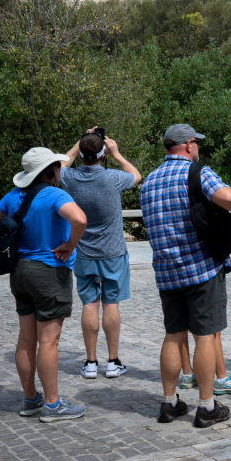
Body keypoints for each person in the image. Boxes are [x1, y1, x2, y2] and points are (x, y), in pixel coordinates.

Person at [140, 124, 231, 427]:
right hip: (201, 268)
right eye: (196, 144)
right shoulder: (196, 172)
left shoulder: (148, 182)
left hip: (166, 272)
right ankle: (206, 407)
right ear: (188, 145)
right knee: (205, 336)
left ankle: (169, 403)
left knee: (173, 336)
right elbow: (228, 198)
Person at [0, 147, 88, 422]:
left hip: (20, 272)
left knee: (26, 340)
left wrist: (10, 243)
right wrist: (69, 245)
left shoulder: (14, 196)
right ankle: (52, 405)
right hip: (49, 272)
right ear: (51, 171)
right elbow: (80, 219)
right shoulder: (54, 195)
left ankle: (30, 398)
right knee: (48, 342)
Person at [61, 128, 142, 380]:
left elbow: (62, 162)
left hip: (83, 253)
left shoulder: (70, 178)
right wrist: (117, 154)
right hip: (113, 252)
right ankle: (113, 361)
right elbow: (136, 175)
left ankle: (90, 362)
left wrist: (78, 143)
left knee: (89, 304)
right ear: (103, 154)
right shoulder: (112, 178)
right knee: (110, 304)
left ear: (83, 154)